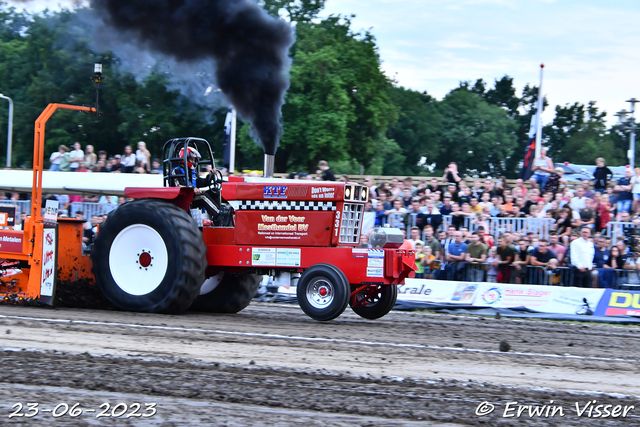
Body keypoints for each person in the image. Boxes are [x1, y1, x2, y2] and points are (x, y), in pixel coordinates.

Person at [171, 146, 220, 218]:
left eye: (194, 160)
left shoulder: (192, 171)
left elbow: (201, 182)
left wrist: (210, 176)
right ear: (185, 159)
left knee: (215, 191)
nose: (193, 162)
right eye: (191, 160)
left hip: (194, 197)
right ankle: (219, 215)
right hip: (185, 199)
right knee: (203, 197)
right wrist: (193, 189)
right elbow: (179, 186)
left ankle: (216, 219)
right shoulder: (176, 171)